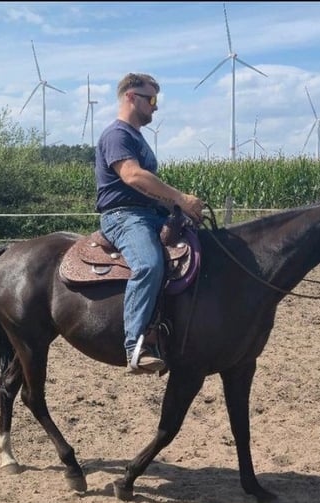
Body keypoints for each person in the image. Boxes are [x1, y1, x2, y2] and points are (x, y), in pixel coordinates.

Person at [95, 73, 205, 375]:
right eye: (152, 99)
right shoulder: (117, 135)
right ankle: (135, 347)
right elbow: (132, 176)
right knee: (148, 264)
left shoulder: (136, 137)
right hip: (124, 216)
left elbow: (149, 189)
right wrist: (180, 197)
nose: (156, 106)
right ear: (131, 97)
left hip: (149, 214)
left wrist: (179, 209)